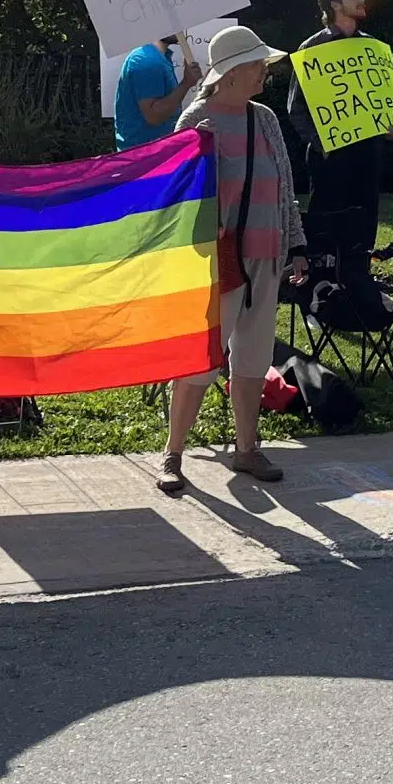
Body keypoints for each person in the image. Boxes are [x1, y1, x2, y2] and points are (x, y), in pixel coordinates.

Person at [161, 26, 309, 493]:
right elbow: (176, 198)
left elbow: (283, 187)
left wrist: (297, 244)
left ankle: (247, 449)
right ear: (230, 73)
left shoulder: (263, 119)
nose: (264, 71)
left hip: (267, 256)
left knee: (252, 358)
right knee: (198, 364)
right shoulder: (195, 121)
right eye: (256, 64)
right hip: (215, 263)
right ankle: (173, 454)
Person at [285, 0, 393, 271]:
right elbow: (296, 109)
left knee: (365, 221)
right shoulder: (312, 49)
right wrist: (320, 143)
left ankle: (360, 279)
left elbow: (386, 102)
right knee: (327, 222)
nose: (362, 0)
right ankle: (323, 284)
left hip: (367, 153)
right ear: (335, 4)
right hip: (330, 156)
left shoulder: (373, 48)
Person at [113, 35, 200, 151]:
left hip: (155, 153)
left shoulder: (158, 58)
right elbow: (154, 116)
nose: (182, 28)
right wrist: (186, 83)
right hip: (143, 157)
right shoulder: (146, 61)